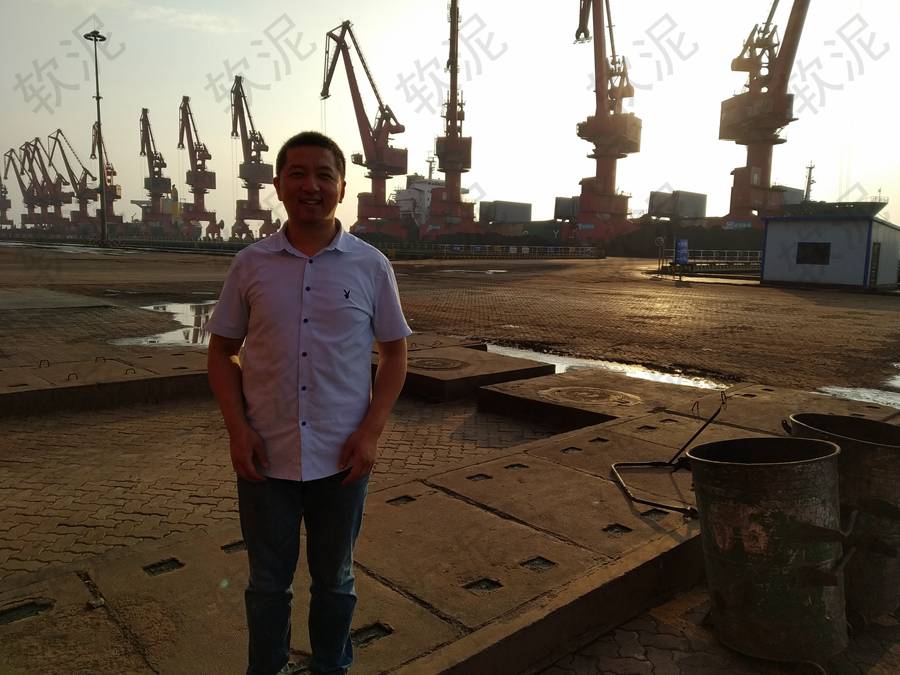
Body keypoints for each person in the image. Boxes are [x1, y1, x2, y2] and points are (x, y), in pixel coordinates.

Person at [206, 130, 410, 675]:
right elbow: (221, 352)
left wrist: (370, 434)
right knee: (267, 585)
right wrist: (238, 431)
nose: (310, 186)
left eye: (324, 175)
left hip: (342, 460)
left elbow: (395, 356)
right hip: (264, 457)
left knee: (335, 581)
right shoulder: (250, 264)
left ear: (342, 187)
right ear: (278, 185)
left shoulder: (370, 266)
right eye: (297, 174)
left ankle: (330, 667)